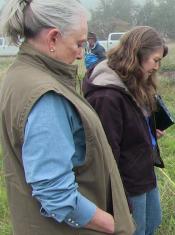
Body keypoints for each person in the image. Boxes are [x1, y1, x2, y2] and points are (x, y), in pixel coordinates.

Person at [0, 0, 134, 234]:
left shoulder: (18, 75)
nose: (82, 54)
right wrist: (113, 225)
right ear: (53, 38)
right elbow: (55, 192)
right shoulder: (46, 96)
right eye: (79, 43)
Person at [83, 26, 168, 235]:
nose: (157, 67)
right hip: (127, 183)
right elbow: (106, 153)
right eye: (155, 60)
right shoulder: (106, 97)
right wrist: (119, 201)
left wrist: (145, 131)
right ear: (136, 55)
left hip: (144, 170)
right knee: (134, 230)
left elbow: (128, 124)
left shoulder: (133, 81)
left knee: (152, 223)